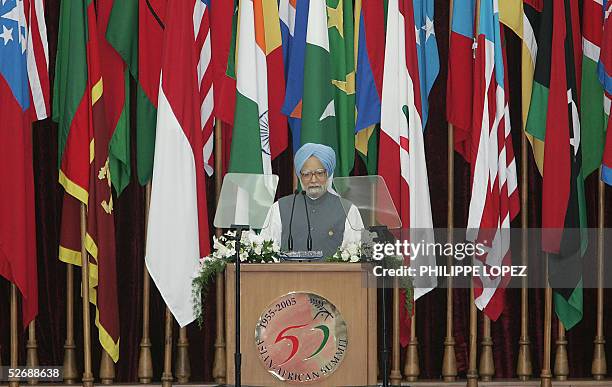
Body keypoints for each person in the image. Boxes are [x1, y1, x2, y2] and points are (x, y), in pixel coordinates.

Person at [260, 143, 364, 257]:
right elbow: (265, 252)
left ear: (328, 174)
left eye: (319, 173)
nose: (313, 179)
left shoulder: (348, 210)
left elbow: (356, 254)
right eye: (306, 174)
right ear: (300, 176)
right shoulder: (279, 208)